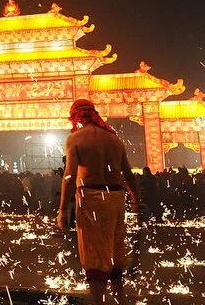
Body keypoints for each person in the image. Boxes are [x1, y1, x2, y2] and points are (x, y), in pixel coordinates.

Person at [57, 99, 138, 305]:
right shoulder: (114, 139)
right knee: (115, 252)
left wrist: (63, 209)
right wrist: (137, 200)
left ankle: (99, 302)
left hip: (92, 198)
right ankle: (120, 300)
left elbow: (69, 175)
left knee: (94, 255)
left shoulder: (76, 139)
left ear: (76, 117)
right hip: (117, 198)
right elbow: (128, 174)